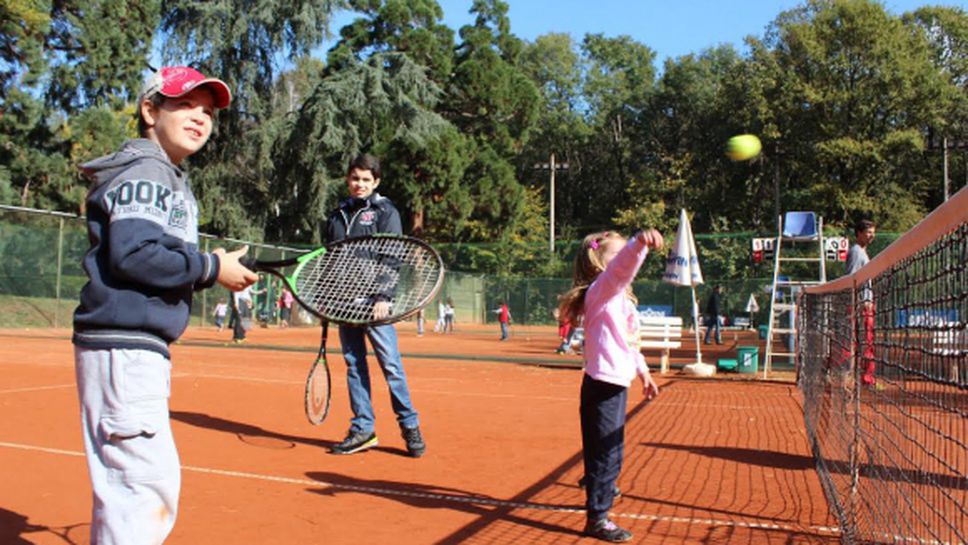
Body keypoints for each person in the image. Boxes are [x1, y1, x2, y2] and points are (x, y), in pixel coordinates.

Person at [71, 66, 258, 545]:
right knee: (142, 490)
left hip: (131, 344)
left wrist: (211, 266)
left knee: (129, 488)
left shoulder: (163, 174)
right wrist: (212, 269)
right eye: (185, 104)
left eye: (209, 111)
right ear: (150, 111)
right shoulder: (149, 170)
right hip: (126, 345)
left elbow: (149, 255)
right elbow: (134, 254)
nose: (200, 117)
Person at [558, 229, 663, 543]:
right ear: (598, 265)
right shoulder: (602, 290)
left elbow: (629, 344)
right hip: (602, 384)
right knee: (607, 451)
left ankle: (599, 481)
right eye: (615, 256)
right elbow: (622, 269)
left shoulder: (619, 300)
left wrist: (644, 373)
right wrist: (639, 244)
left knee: (607, 448)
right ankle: (598, 517)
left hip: (615, 383)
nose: (623, 261)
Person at [322, 153, 425, 457]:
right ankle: (363, 429)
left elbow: (391, 254)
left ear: (376, 182)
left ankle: (409, 426)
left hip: (374, 302)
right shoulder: (336, 215)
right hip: (342, 303)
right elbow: (328, 259)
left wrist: (384, 296)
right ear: (347, 180)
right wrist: (326, 300)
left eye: (366, 179)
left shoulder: (385, 211)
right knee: (354, 365)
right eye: (355, 178)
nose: (360, 184)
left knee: (390, 364)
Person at [847, 219, 877, 387]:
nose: (872, 235)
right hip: (862, 304)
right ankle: (866, 379)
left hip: (865, 302)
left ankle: (864, 377)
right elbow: (852, 278)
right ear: (859, 233)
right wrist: (858, 302)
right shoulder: (857, 252)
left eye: (873, 232)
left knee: (865, 341)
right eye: (868, 232)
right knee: (865, 341)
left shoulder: (861, 252)